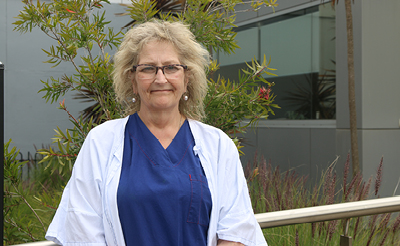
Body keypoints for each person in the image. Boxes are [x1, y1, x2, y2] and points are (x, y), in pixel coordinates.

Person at [45, 20, 267, 246]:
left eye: (171, 67)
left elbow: (236, 231)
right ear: (132, 79)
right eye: (148, 68)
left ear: (187, 78)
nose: (160, 79)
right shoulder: (100, 143)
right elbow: (82, 231)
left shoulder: (218, 144)